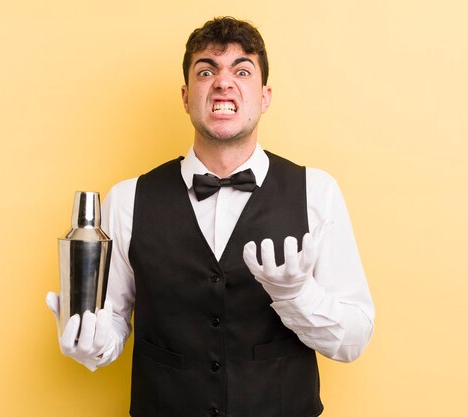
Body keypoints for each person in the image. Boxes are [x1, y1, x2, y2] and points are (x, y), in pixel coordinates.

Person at [47, 16, 374, 417]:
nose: (223, 82)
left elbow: (354, 338)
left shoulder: (317, 193)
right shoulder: (127, 199)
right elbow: (113, 321)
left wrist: (297, 297)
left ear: (265, 96)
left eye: (242, 70)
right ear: (185, 96)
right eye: (207, 70)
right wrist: (90, 344)